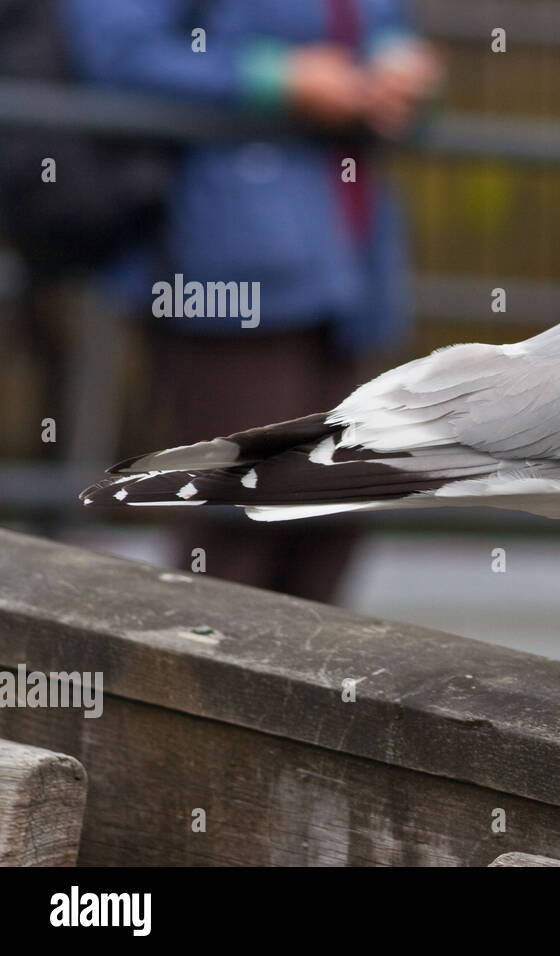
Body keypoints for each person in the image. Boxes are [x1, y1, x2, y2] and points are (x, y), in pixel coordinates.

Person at [59, 0, 442, 601]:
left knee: (335, 517)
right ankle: (189, 686)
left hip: (352, 267)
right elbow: (116, 55)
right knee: (242, 519)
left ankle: (306, 693)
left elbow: (381, 35)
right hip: (222, 259)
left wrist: (398, 72)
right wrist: (275, 78)